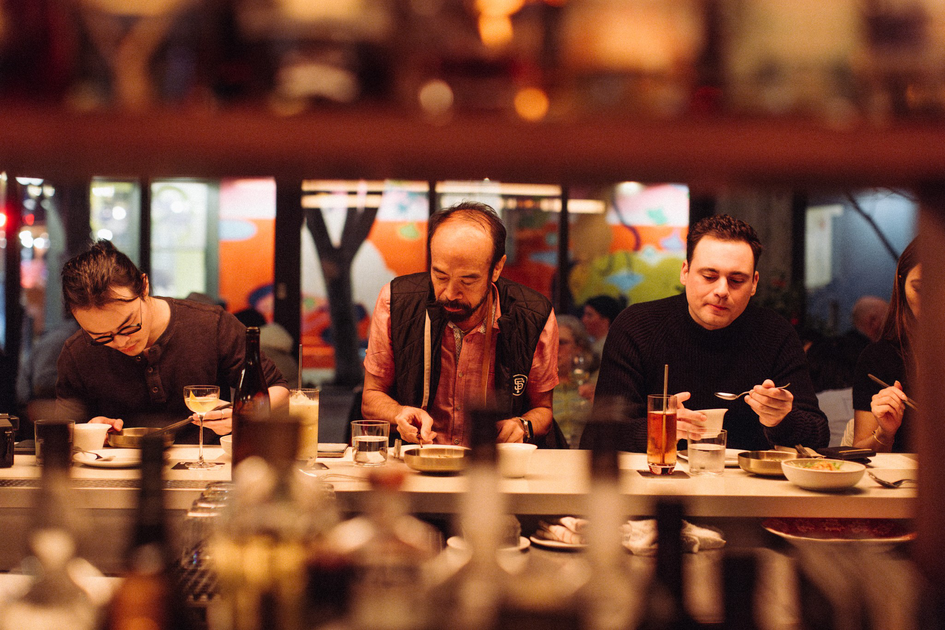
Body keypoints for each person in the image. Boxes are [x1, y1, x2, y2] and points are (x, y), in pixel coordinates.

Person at [581, 214, 829, 452]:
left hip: (748, 478)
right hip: (657, 474)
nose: (722, 290)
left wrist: (782, 419)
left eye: (736, 281)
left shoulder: (774, 334)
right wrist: (660, 428)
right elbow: (602, 433)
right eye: (709, 276)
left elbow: (819, 434)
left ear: (754, 283)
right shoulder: (638, 326)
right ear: (685, 272)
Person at [362, 201, 559, 446]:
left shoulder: (534, 315)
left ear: (497, 268)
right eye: (440, 276)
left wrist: (522, 426)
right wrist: (398, 413)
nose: (450, 293)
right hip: (418, 459)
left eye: (468, 280)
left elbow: (543, 410)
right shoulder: (395, 302)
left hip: (492, 462)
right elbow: (371, 397)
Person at [55, 241, 289, 443]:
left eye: (128, 325)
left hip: (208, 465)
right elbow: (64, 432)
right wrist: (89, 430)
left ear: (144, 287)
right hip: (116, 470)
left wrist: (244, 414)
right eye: (102, 337)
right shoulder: (77, 352)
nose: (122, 341)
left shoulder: (210, 325)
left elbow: (278, 389)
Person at [852, 239, 919, 452]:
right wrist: (885, 432)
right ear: (901, 283)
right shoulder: (880, 358)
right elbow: (860, 451)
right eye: (920, 288)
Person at [553, 315, 596, 448]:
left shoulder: (591, 385)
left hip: (585, 454)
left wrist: (598, 405)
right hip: (551, 455)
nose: (555, 347)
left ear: (578, 348)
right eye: (551, 341)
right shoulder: (538, 389)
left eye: (562, 342)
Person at [581, 294, 624, 359]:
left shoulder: (611, 349)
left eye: (589, 315)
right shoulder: (589, 344)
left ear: (605, 321)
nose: (584, 320)